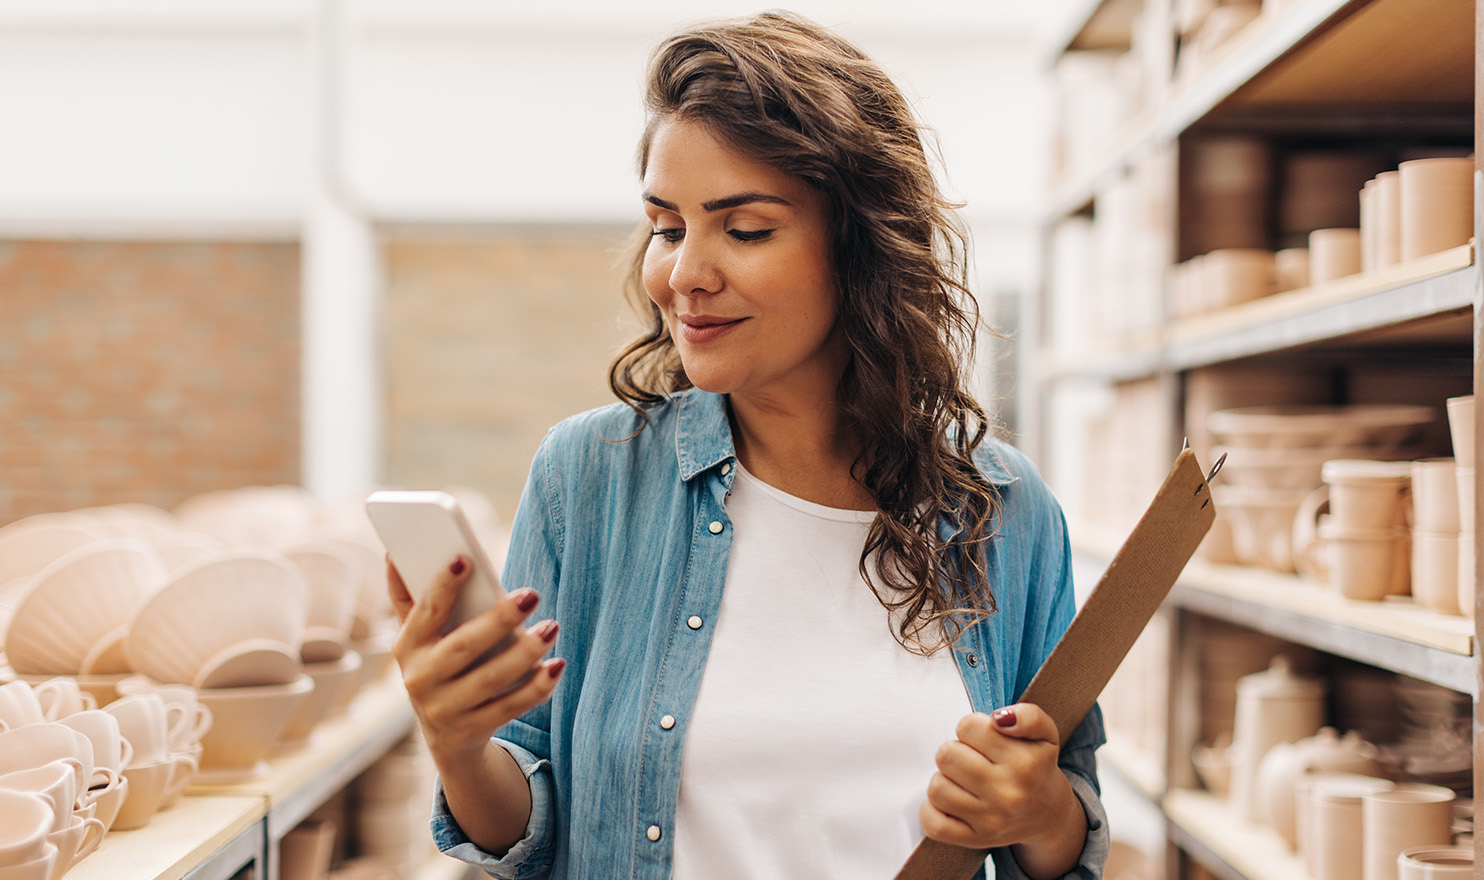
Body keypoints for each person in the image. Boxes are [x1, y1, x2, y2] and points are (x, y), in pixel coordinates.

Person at [387, 10, 1108, 880]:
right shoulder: (589, 480)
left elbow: (1066, 838)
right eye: (666, 226)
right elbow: (526, 839)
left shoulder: (1004, 509)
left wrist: (1039, 810)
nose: (684, 273)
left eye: (745, 228)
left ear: (862, 245)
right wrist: (459, 745)